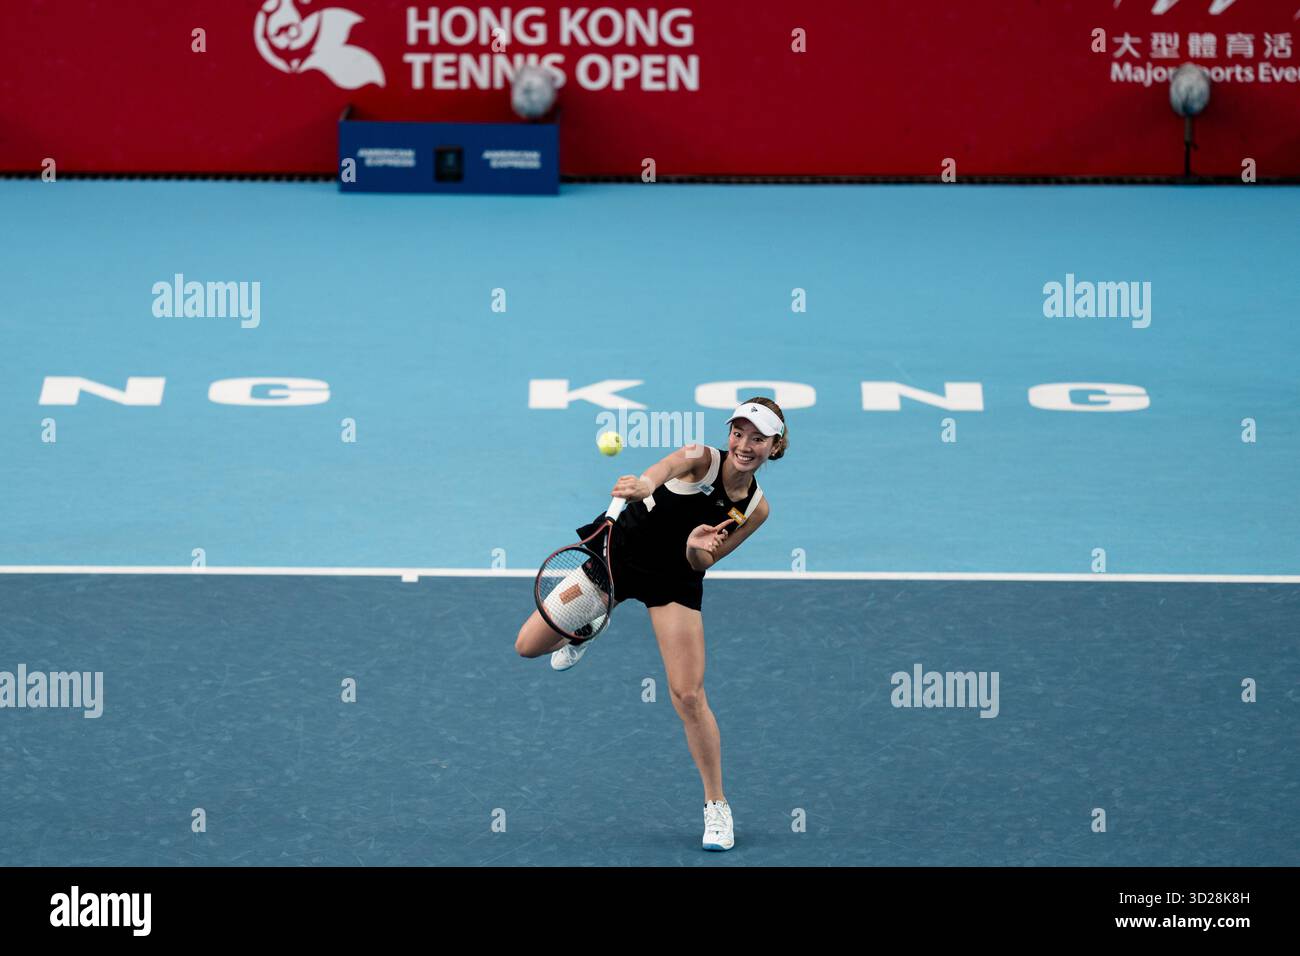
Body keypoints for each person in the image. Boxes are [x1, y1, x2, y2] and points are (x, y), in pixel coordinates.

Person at [514, 398, 788, 851]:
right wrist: (643, 484)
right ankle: (587, 628)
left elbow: (705, 560)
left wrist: (697, 546)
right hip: (619, 556)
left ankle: (717, 806)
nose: (744, 444)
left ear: (774, 447)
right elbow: (661, 470)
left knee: (688, 695)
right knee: (528, 645)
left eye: (757, 438)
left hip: (673, 579)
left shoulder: (755, 510)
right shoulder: (701, 458)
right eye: (738, 433)